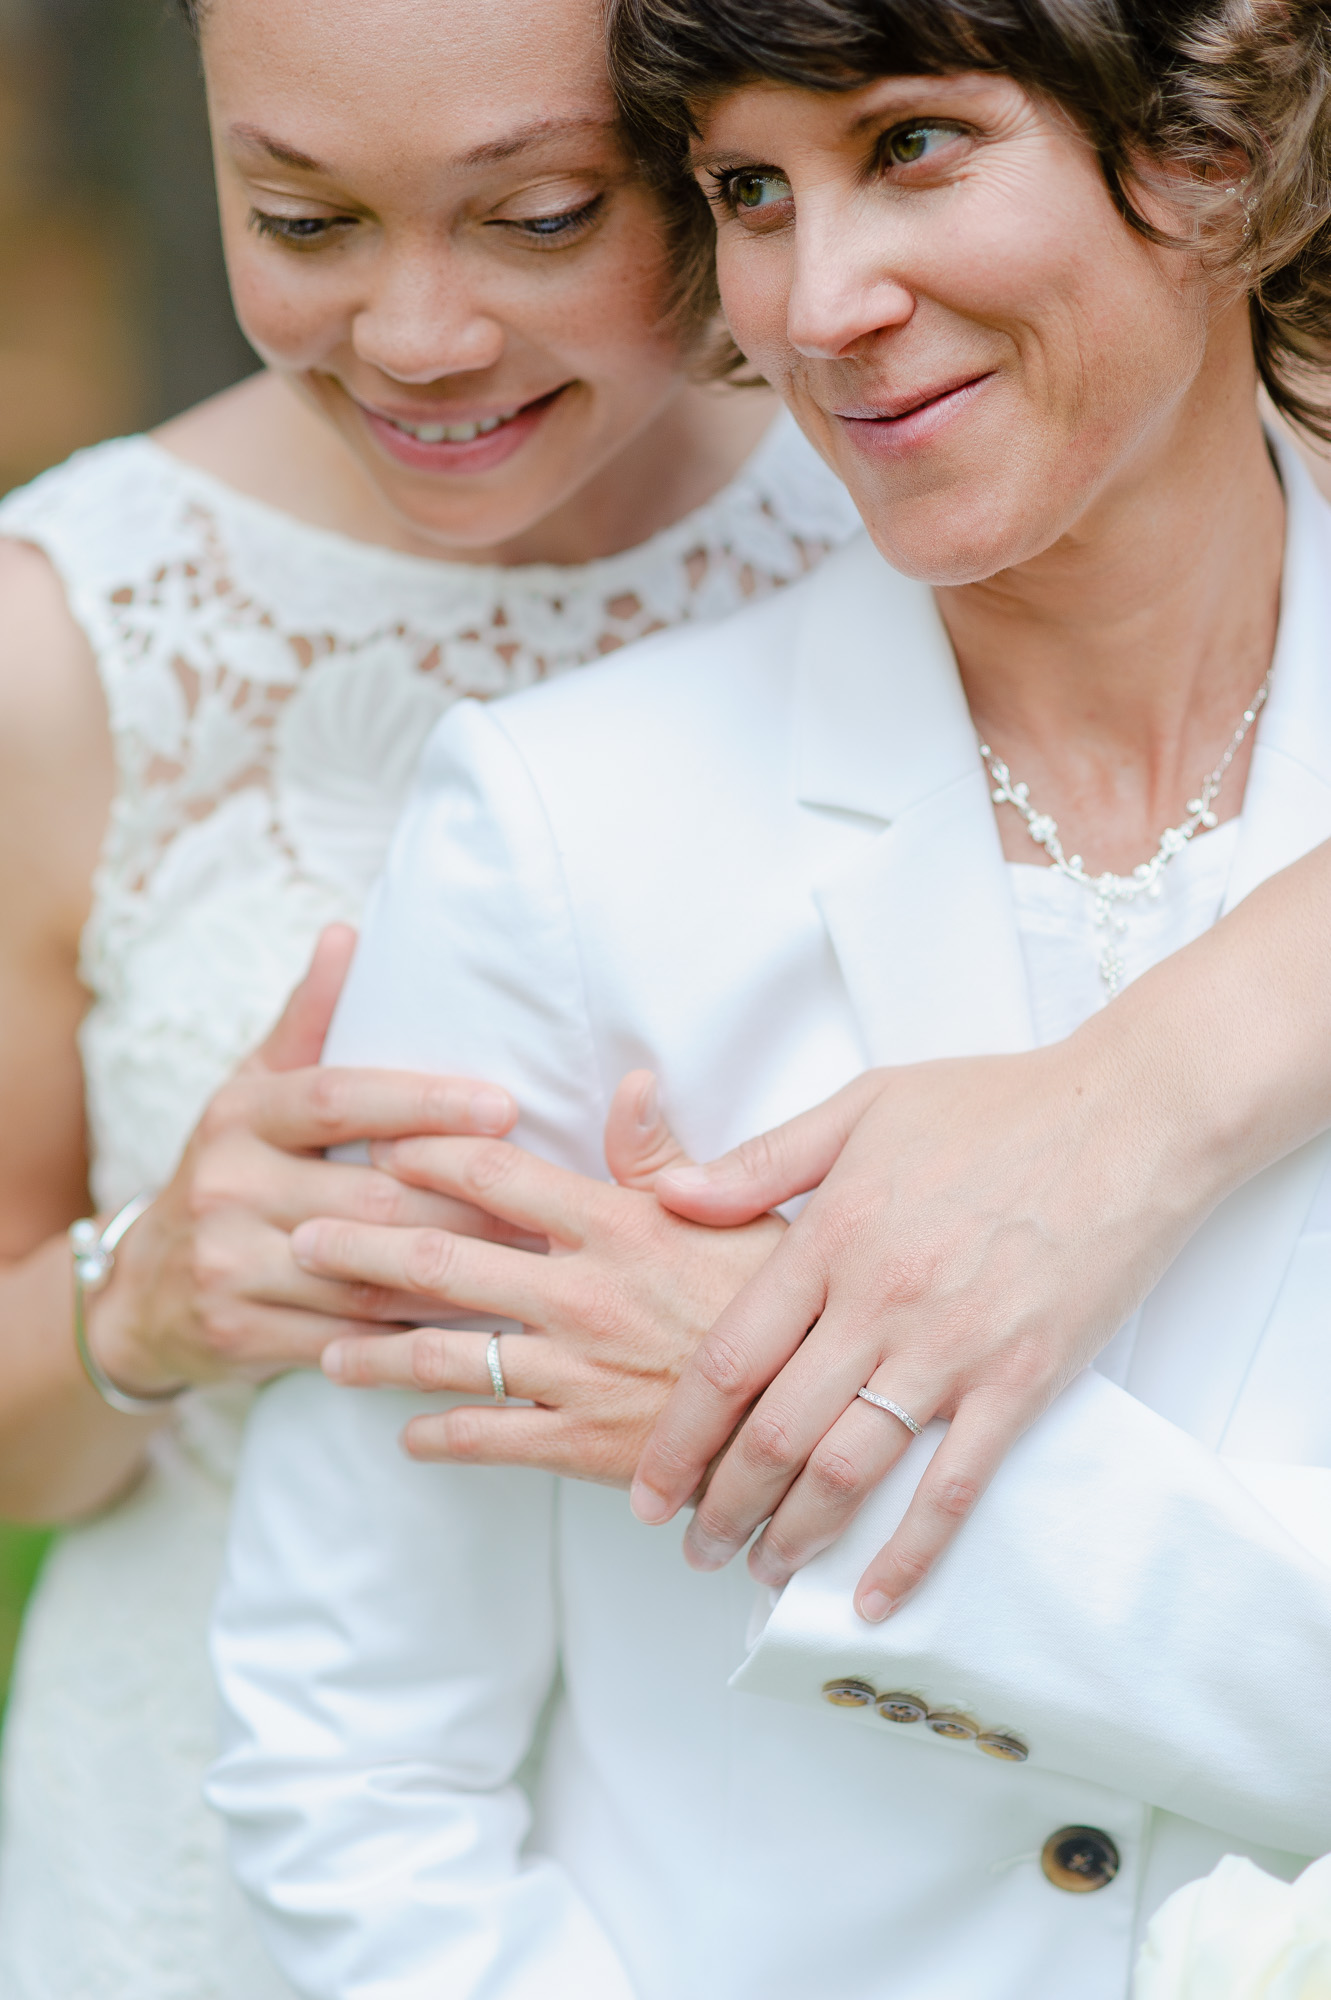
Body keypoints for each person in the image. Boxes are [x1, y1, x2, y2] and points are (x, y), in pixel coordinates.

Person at [209, 1, 1331, 1995]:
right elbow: (352, 1753)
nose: (819, 301)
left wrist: (817, 1423)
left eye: (911, 147)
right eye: (749, 191)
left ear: (1217, 139)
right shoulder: (563, 833)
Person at [0, 0, 864, 1988]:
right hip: (219, 1874)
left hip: (822, 1850)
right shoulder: (66, 646)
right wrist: (144, 1305)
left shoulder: (915, 535)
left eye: (540, 216)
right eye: (302, 220)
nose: (416, 336)